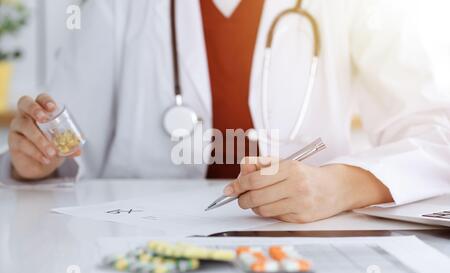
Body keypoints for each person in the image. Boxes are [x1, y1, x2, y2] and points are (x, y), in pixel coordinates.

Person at [2, 0, 450, 223]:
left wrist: (342, 185)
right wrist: (37, 160)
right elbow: (62, 144)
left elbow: (437, 132)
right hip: (137, 249)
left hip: (307, 244)